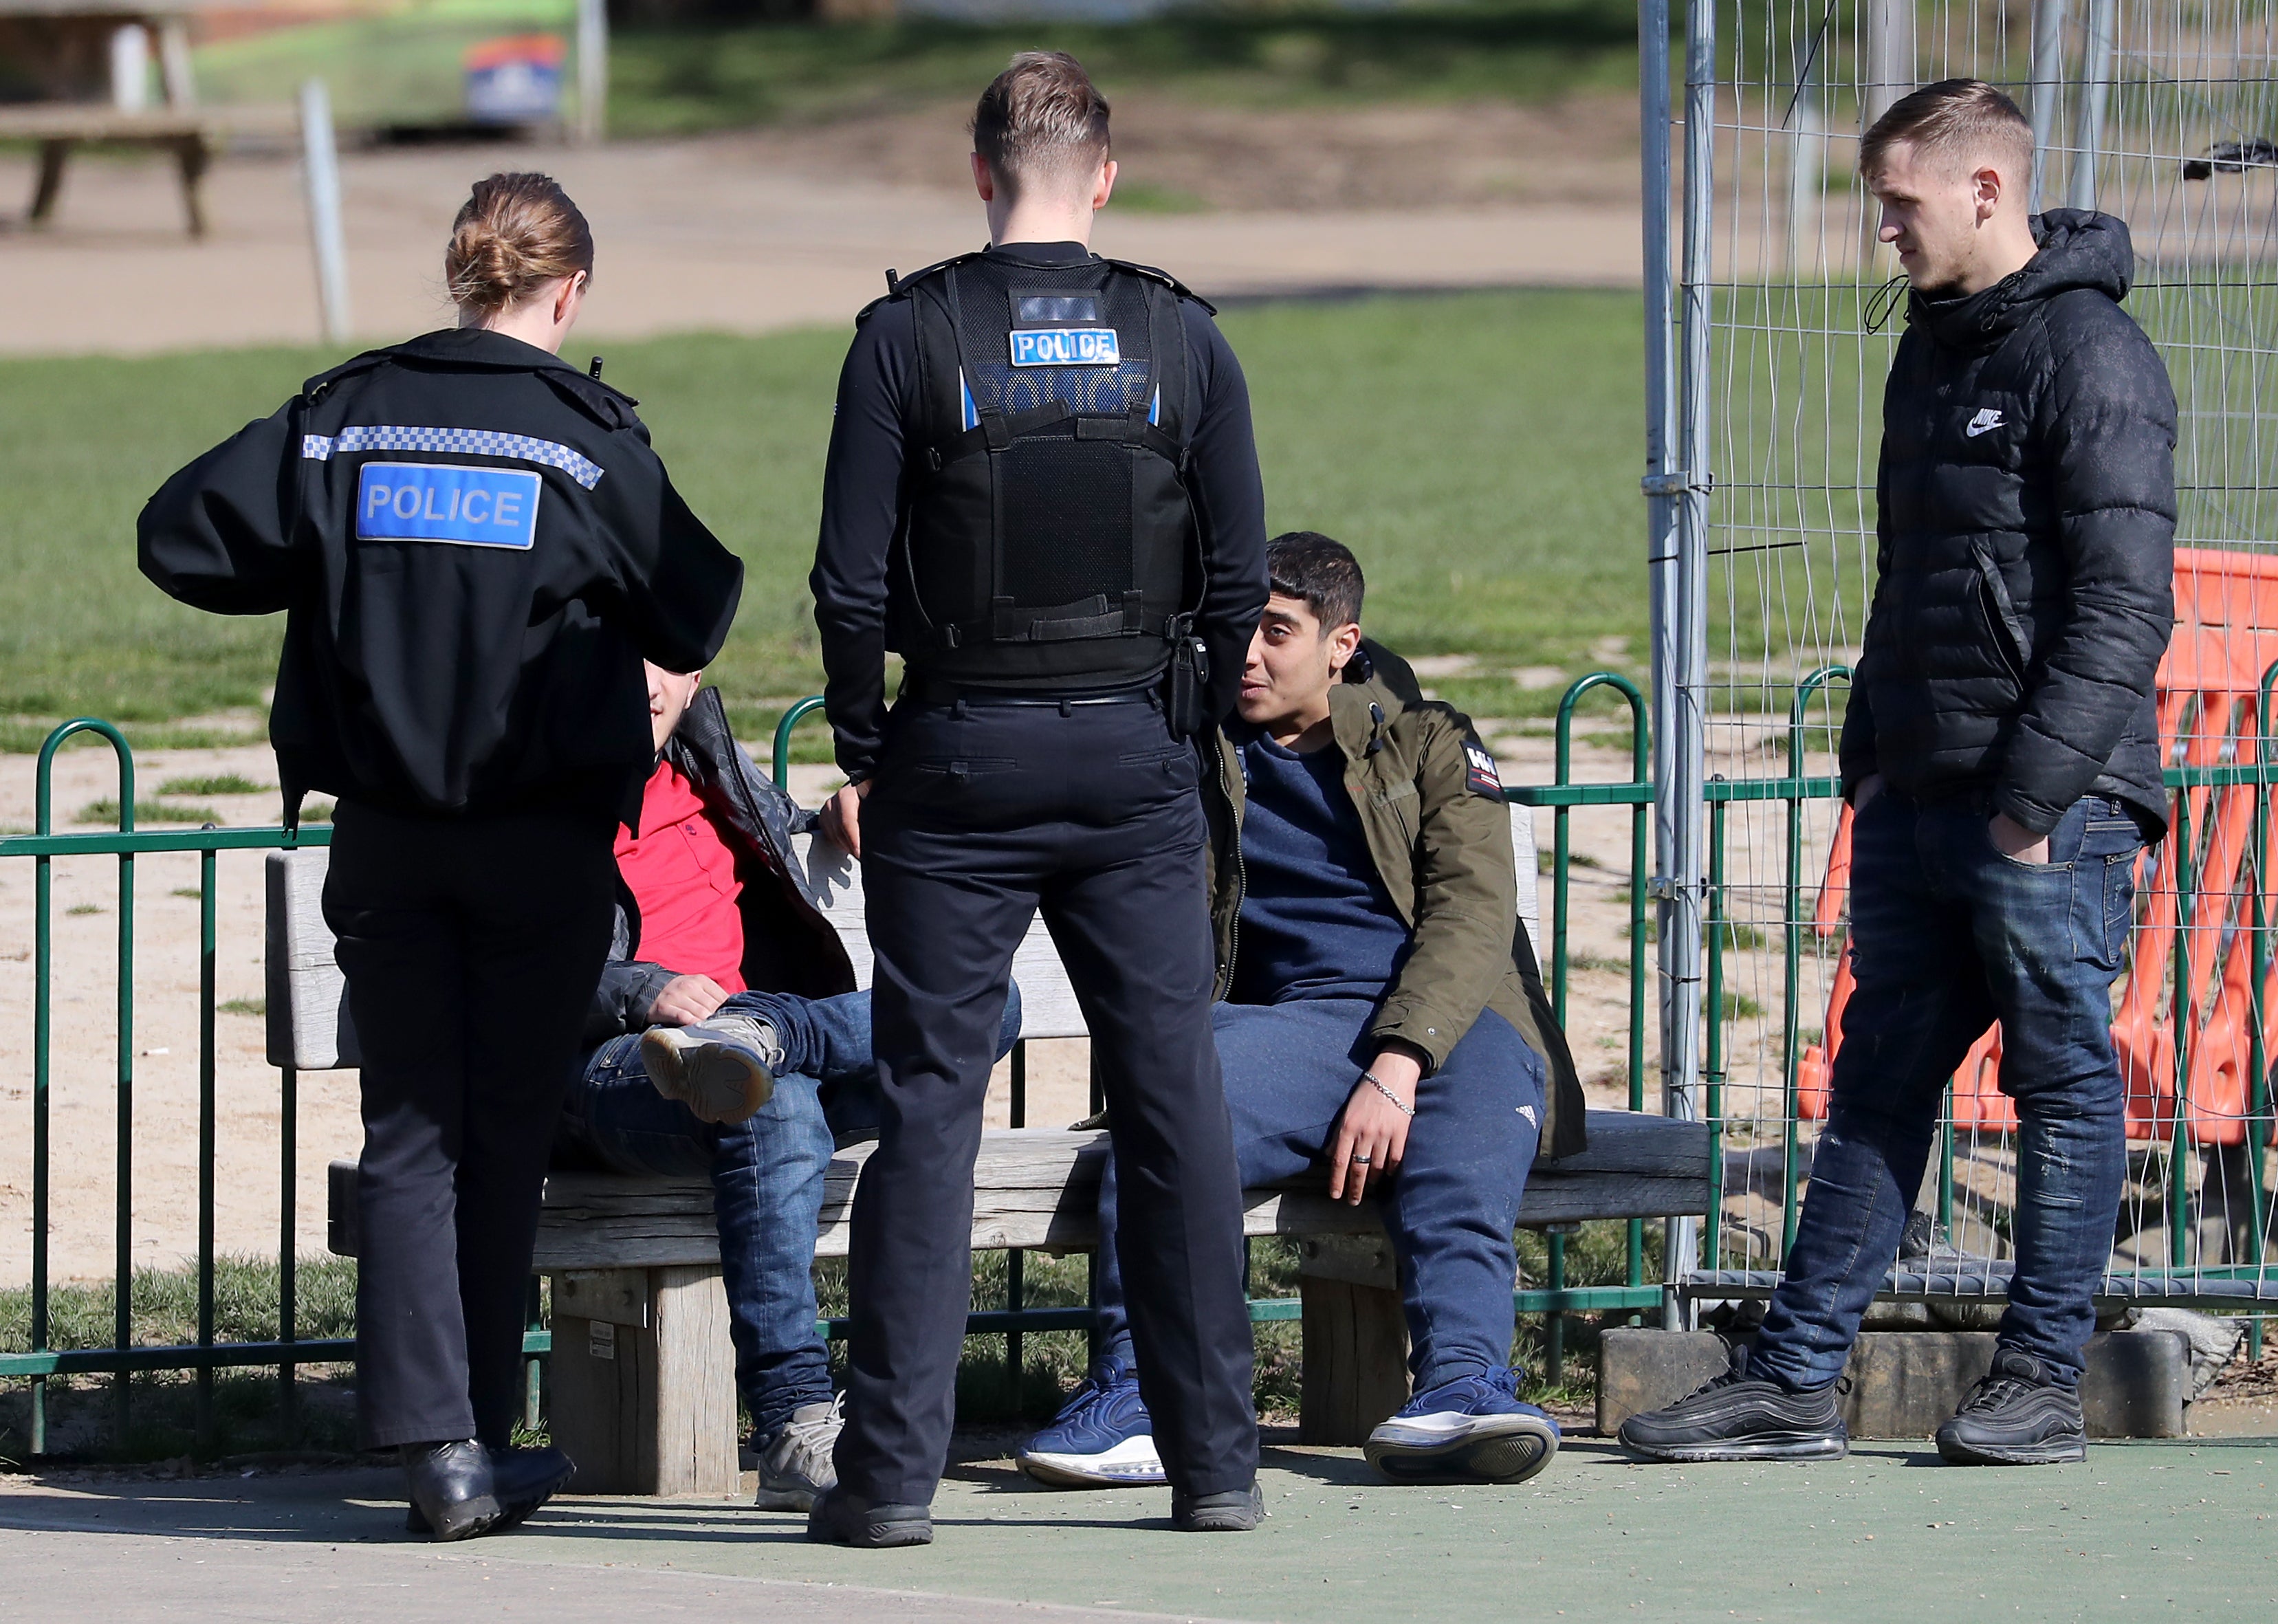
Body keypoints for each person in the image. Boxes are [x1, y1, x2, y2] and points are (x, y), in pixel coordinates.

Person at [138, 173, 745, 1537]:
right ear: (570, 288)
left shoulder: (341, 417)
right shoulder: (587, 442)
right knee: (502, 1138)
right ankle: (467, 1433)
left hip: (390, 835)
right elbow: (698, 597)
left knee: (411, 1130)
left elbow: (179, 536)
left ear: (457, 269)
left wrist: (337, 567)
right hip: (538, 839)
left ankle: (445, 1445)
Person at [1619, 80, 2176, 1468]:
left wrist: (2037, 800)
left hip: (2045, 811)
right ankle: (1794, 1376)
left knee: (2060, 1085)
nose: (1881, 228)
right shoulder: (1928, 351)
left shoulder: (2091, 352)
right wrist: (1873, 764)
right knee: (1874, 1085)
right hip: (1919, 800)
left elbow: (2122, 603)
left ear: (1986, 191)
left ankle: (2041, 1376)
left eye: (1900, 202)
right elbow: (1910, 580)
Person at [807, 52, 1269, 1545]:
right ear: (1107, 174)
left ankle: (885, 1481)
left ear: (980, 172)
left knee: (931, 1117)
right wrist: (1174, 715)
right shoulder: (1181, 338)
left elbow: (849, 581)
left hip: (955, 755)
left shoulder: (905, 335)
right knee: (1173, 1107)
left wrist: (869, 748)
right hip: (1130, 756)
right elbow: (1241, 573)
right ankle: (1216, 1467)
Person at [1013, 532, 1587, 1489]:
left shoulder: (1430, 739)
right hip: (1295, 1027)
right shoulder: (1192, 746)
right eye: (1236, 626)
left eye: (1277, 630)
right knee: (1168, 1118)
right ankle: (1145, 1394)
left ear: (1340, 641)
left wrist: (1399, 1064)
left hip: (1458, 1024)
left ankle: (1463, 1388)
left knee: (1463, 1159)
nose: (1248, 652)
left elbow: (1472, 916)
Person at [551, 659, 1021, 1511]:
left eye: (669, 664)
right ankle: (793, 1419)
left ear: (694, 679)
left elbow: (775, 839)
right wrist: (640, 988)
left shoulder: (703, 754)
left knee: (983, 1002)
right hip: (616, 1061)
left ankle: (771, 1032)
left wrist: (834, 814)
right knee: (770, 1103)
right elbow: (511, 962)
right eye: (630, 658)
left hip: (753, 1048)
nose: (647, 684)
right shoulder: (536, 786)